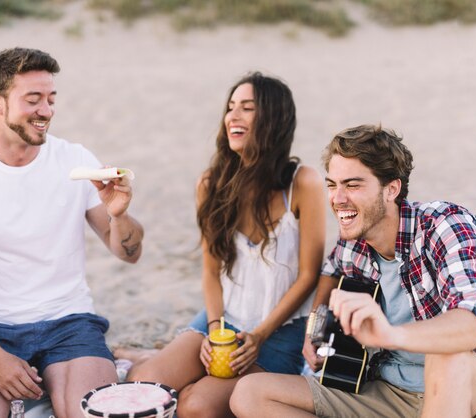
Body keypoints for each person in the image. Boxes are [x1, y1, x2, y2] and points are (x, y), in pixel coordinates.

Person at [230, 124, 476, 418]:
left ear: (392, 189)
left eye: (352, 185)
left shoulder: (446, 225)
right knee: (250, 394)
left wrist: (390, 335)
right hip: (388, 392)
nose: (337, 199)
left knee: (447, 354)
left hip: (474, 392)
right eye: (332, 185)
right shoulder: (355, 242)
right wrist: (316, 329)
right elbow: (330, 269)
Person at [0, 47, 144, 418]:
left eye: (51, 99)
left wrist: (119, 215)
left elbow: (129, 253)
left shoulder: (76, 161)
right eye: (33, 99)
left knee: (93, 414)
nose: (46, 111)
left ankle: (111, 356)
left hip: (69, 322)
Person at [121, 72, 326, 417]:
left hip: (280, 331)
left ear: (273, 119)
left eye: (247, 108)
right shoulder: (210, 183)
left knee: (196, 406)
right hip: (222, 319)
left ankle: (175, 365)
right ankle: (152, 358)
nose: (233, 116)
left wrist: (259, 336)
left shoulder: (303, 183)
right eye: (231, 107)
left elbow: (310, 275)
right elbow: (210, 271)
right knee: (143, 385)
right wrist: (215, 330)